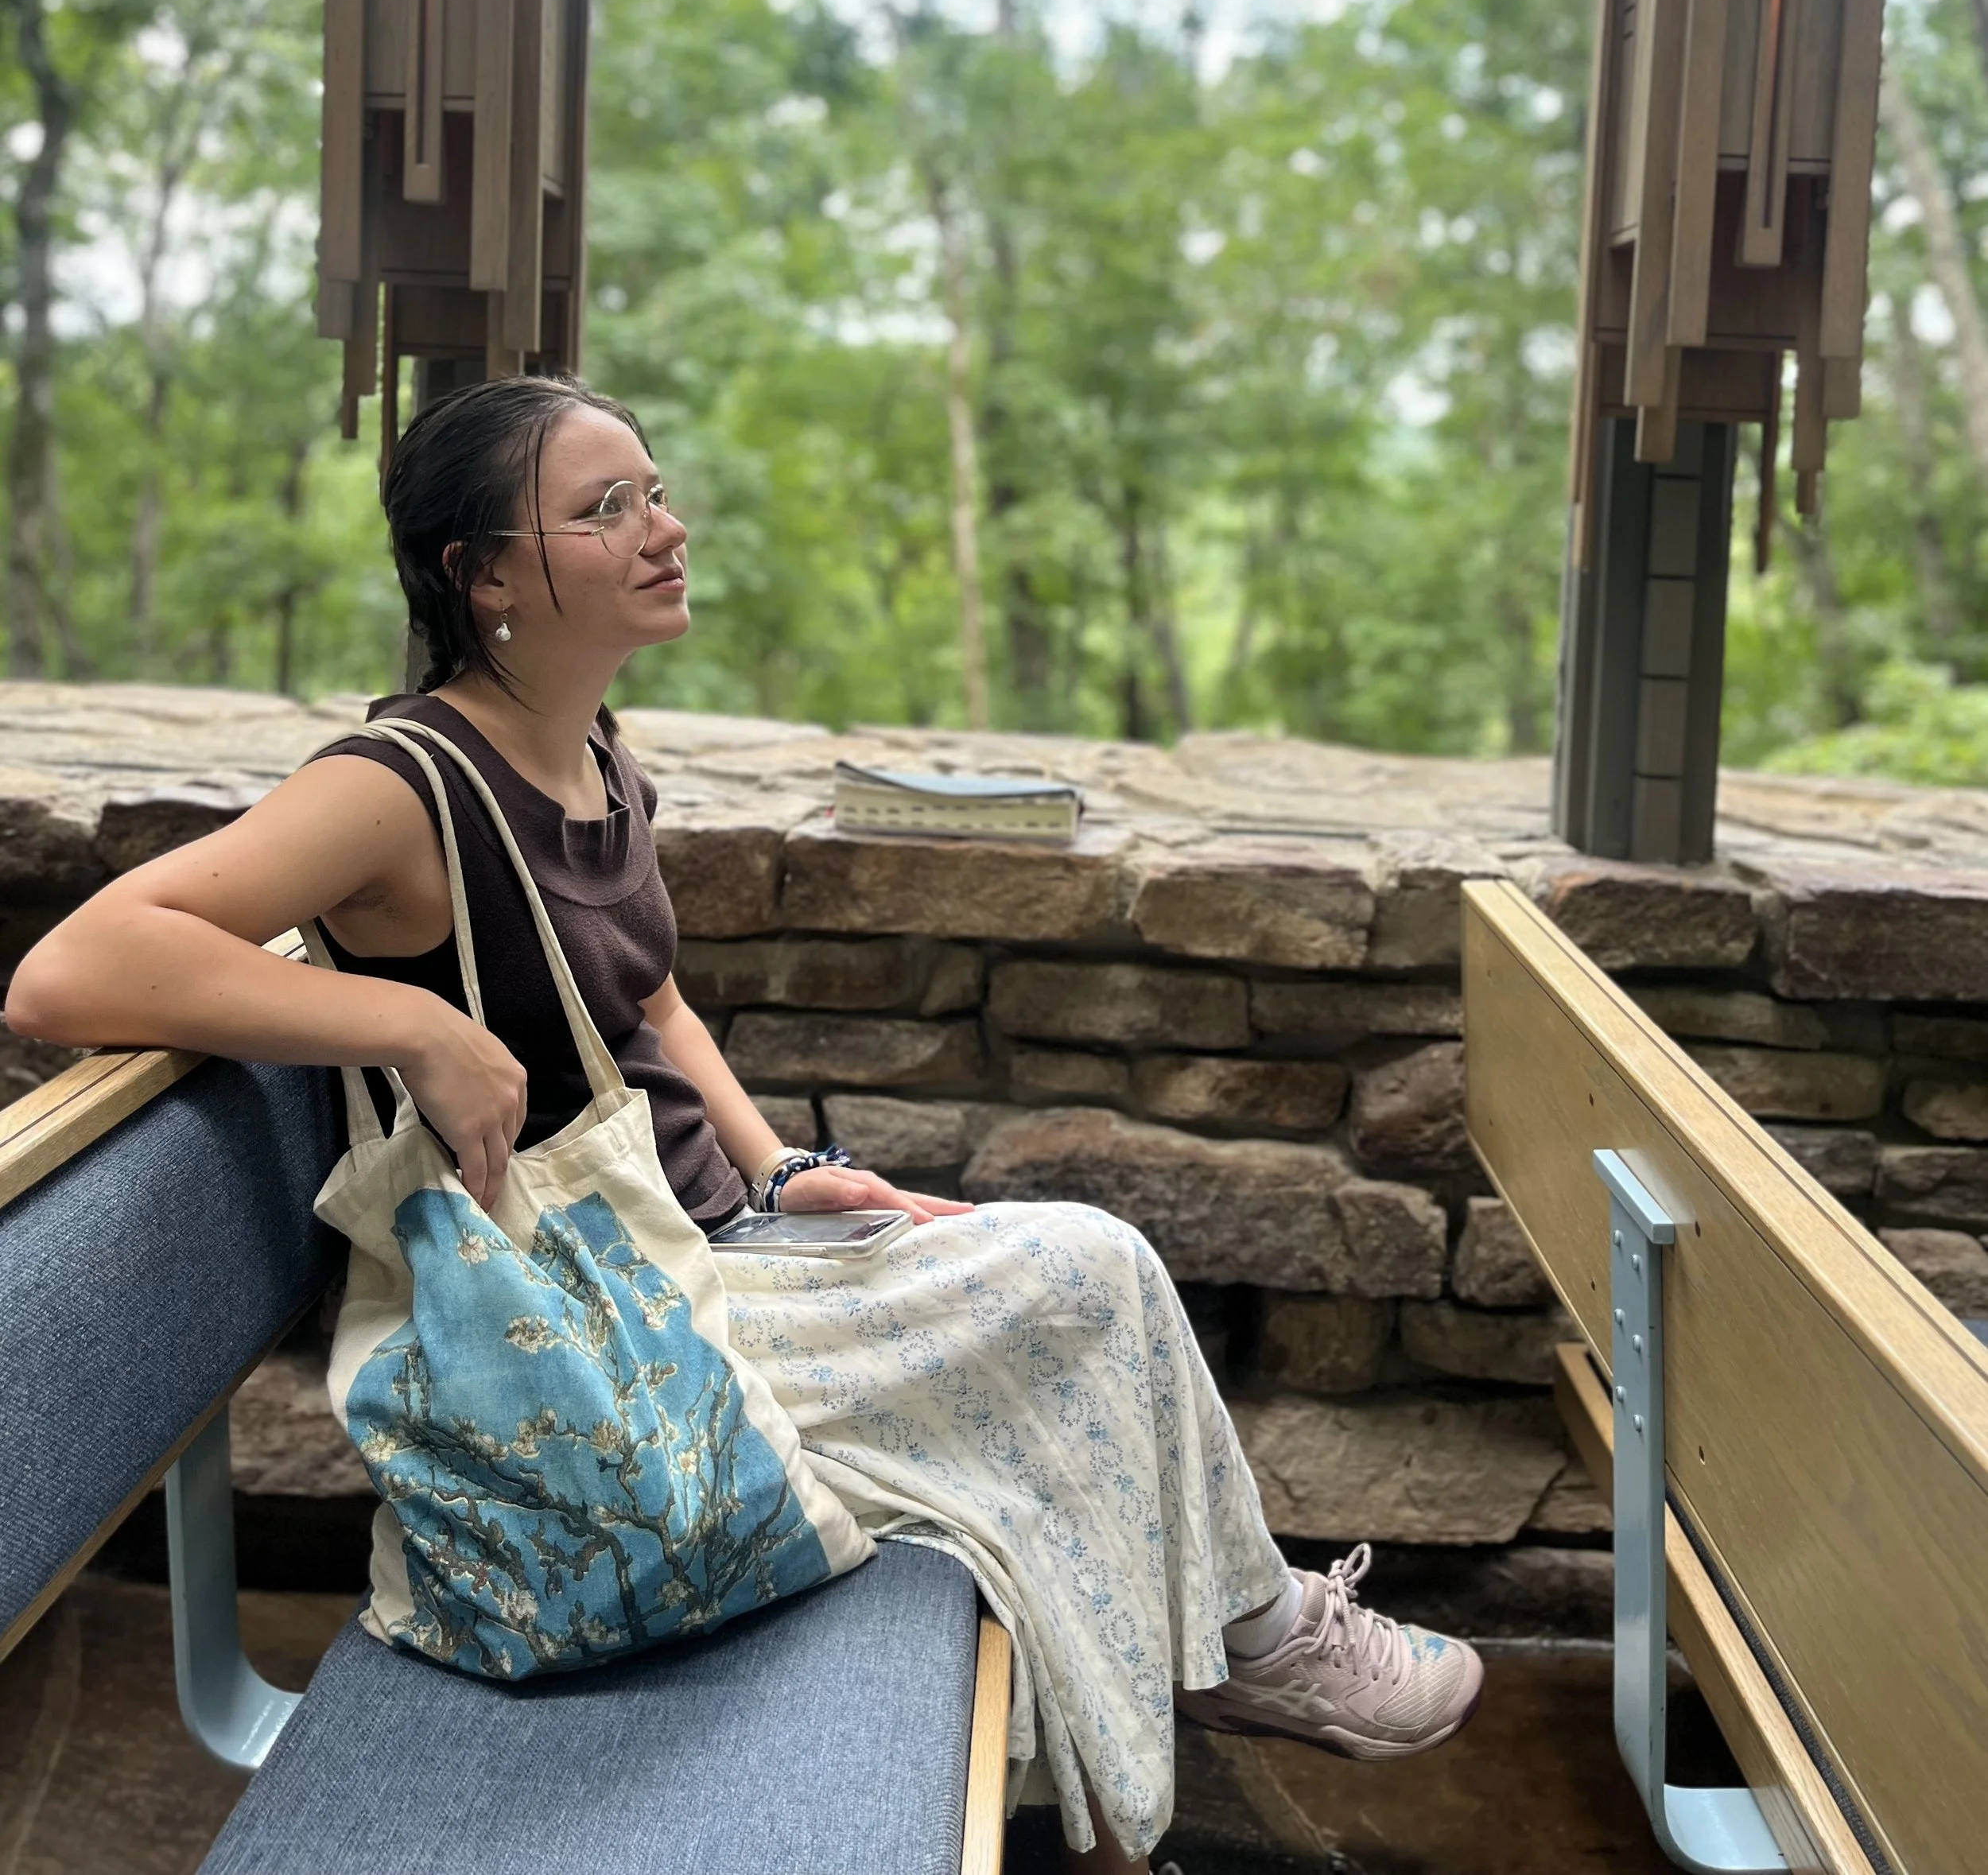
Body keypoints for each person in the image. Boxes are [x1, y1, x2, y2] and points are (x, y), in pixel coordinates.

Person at [6, 373, 1482, 1871]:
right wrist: (409, 1022)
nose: (666, 527)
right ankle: (1245, 1648)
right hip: (604, 1319)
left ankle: (1207, 1690)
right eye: (606, 509)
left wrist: (784, 1164)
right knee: (1082, 1286)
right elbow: (69, 974)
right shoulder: (401, 788)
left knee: (1074, 1288)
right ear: (488, 575)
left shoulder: (591, 749)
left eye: (655, 491)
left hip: (717, 1239)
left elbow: (650, 1006)